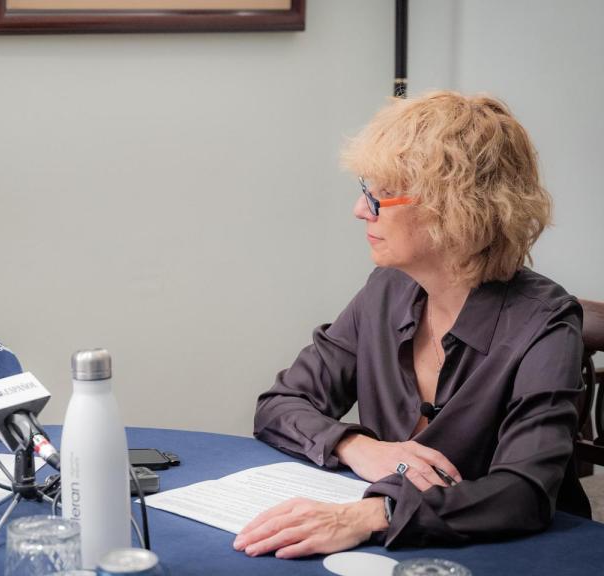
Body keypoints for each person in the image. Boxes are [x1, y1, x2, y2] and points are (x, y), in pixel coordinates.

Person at [237, 91, 589, 558]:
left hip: (518, 555)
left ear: (454, 208)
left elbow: (523, 492)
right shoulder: (386, 289)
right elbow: (280, 405)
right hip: (400, 555)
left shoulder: (546, 322)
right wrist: (359, 447)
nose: (361, 210)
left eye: (380, 195)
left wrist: (372, 515)